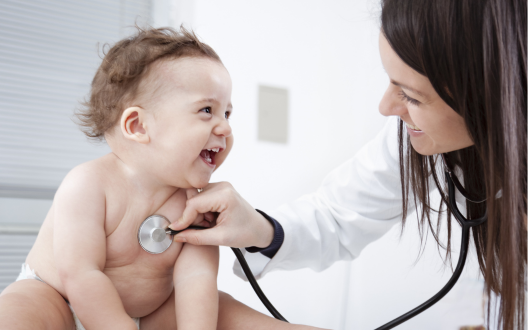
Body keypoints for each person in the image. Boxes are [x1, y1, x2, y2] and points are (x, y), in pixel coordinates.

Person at [169, 0, 527, 329]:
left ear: (491, 96)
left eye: (411, 95)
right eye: (391, 81)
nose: (386, 107)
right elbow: (338, 216)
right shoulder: (415, 135)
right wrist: (261, 228)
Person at [0, 27, 233, 330]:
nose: (225, 129)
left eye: (227, 113)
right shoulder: (89, 184)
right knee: (15, 313)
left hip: (146, 313)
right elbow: (81, 274)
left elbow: (196, 280)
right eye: (207, 110)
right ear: (137, 125)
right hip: (58, 296)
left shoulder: (196, 205)